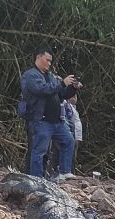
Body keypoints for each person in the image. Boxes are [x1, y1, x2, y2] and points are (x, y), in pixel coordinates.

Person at [20, 48, 80, 179]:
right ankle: (36, 178)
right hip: (41, 120)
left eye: (50, 61)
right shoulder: (30, 75)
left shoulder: (51, 77)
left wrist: (72, 88)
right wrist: (62, 83)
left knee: (69, 141)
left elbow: (62, 94)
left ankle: (64, 172)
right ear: (38, 57)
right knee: (40, 151)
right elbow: (41, 90)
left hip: (56, 121)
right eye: (47, 60)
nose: (49, 63)